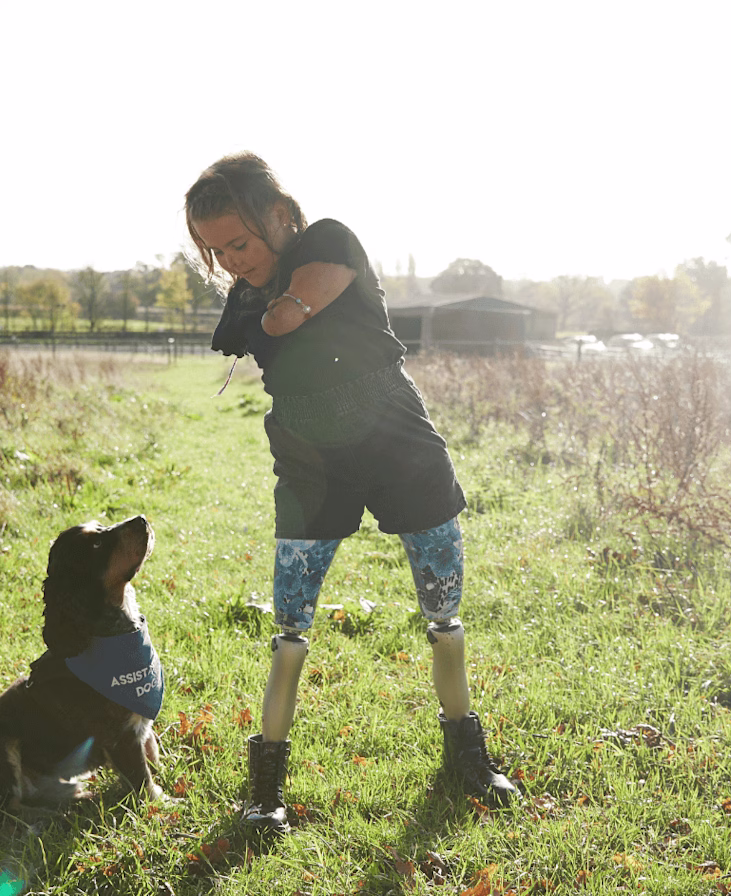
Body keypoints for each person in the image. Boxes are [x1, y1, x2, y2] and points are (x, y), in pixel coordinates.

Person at [184, 152, 518, 836]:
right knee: (290, 629)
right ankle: (266, 788)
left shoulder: (330, 239)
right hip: (311, 460)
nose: (231, 263)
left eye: (239, 243)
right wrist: (261, 296)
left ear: (280, 216)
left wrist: (278, 307)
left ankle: (467, 755)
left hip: (399, 440)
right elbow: (262, 326)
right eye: (215, 251)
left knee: (443, 614)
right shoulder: (244, 294)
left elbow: (288, 317)